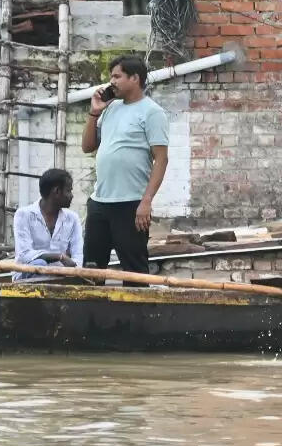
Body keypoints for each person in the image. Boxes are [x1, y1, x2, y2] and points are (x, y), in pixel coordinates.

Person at [81, 54, 169, 274]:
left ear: (135, 78)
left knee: (134, 270)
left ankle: (137, 310)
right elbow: (87, 146)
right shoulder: (110, 108)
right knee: (92, 269)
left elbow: (161, 159)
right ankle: (91, 309)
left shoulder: (152, 112)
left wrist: (146, 201)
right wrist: (94, 112)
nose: (112, 82)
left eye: (117, 76)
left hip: (131, 204)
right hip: (99, 202)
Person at [11, 168, 83, 280]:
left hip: (61, 277)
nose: (71, 196)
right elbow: (24, 255)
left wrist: (75, 269)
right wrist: (59, 257)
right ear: (57, 191)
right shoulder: (23, 215)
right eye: (68, 191)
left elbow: (78, 256)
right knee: (39, 263)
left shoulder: (72, 218)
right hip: (28, 277)